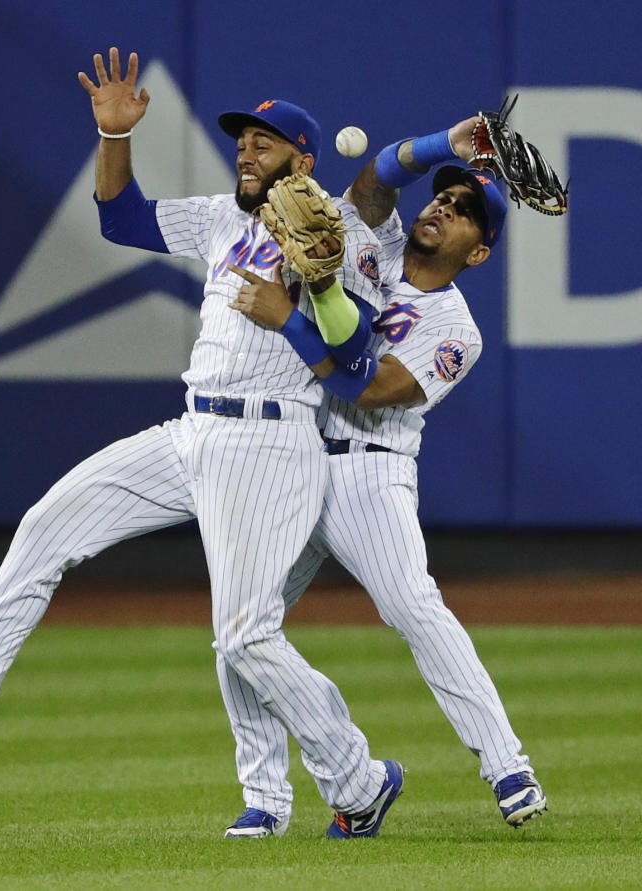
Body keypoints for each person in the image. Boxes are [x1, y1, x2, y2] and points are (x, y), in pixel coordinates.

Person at [0, 46, 408, 840]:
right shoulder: (226, 217)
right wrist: (114, 137)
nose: (247, 150)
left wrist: (312, 292)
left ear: (306, 158)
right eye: (242, 140)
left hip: (269, 444)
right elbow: (122, 218)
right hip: (193, 432)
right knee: (49, 522)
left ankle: (358, 781)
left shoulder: (339, 231)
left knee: (246, 636)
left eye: (264, 141)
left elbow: (358, 361)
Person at [218, 120, 547, 837]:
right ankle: (268, 798)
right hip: (290, 457)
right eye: (443, 198)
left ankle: (507, 765)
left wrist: (288, 322)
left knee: (412, 606)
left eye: (462, 211)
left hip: (370, 473)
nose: (442, 209)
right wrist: (445, 145)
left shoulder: (459, 330)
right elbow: (372, 181)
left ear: (478, 250)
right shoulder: (379, 241)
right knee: (239, 627)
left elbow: (370, 390)